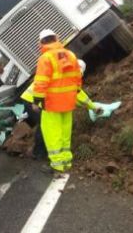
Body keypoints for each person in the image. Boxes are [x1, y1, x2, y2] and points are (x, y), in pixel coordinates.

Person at [20, 60, 97, 160]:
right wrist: (92, 107)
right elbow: (77, 94)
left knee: (40, 124)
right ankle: (38, 153)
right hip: (33, 100)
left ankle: (25, 145)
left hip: (35, 100)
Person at [32, 29, 83, 173]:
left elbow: (41, 81)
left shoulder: (46, 58)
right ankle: (66, 161)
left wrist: (37, 100)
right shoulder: (71, 55)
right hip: (68, 101)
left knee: (53, 134)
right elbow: (77, 77)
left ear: (41, 43)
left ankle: (57, 164)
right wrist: (76, 91)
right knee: (65, 133)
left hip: (52, 103)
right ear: (56, 37)